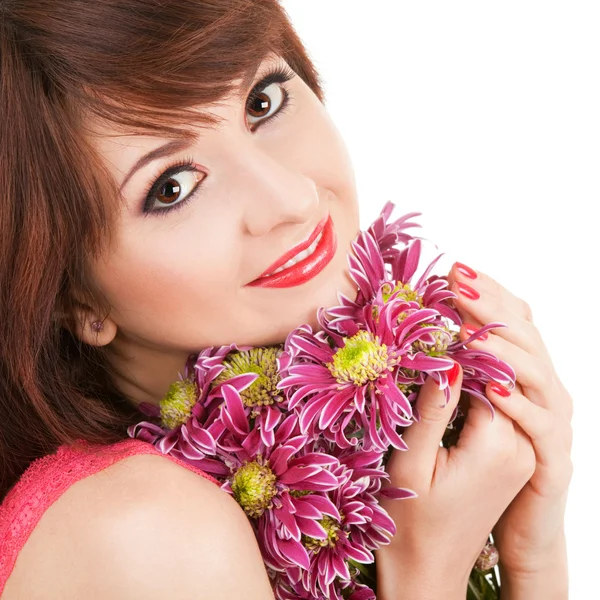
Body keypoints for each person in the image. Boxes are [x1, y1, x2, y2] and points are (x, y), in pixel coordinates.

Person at [0, 1, 573, 598]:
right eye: (172, 187)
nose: (291, 198)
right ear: (72, 299)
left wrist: (531, 554)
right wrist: (427, 573)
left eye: (261, 102)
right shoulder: (139, 529)